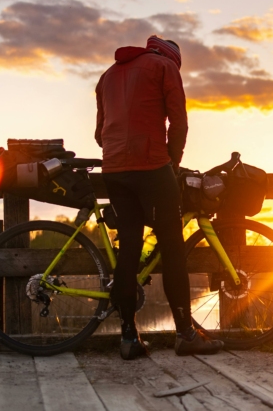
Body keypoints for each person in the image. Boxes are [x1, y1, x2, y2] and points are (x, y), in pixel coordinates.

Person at [95, 35, 224, 360]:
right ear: (173, 57)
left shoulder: (107, 75)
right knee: (172, 247)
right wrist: (171, 163)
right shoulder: (165, 66)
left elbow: (99, 133)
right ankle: (185, 334)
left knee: (129, 248)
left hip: (113, 169)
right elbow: (178, 122)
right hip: (151, 165)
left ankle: (128, 338)